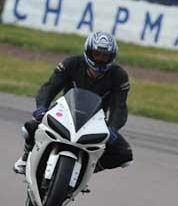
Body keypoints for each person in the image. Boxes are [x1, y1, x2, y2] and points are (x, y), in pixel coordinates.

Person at [13, 31, 133, 175]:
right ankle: (26, 157)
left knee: (124, 154)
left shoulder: (119, 75)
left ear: (111, 57)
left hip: (96, 120)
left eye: (105, 56)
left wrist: (113, 128)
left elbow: (119, 107)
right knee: (30, 128)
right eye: (97, 54)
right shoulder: (71, 63)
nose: (100, 59)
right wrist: (42, 108)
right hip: (64, 110)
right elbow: (50, 87)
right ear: (88, 52)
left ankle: (87, 169)